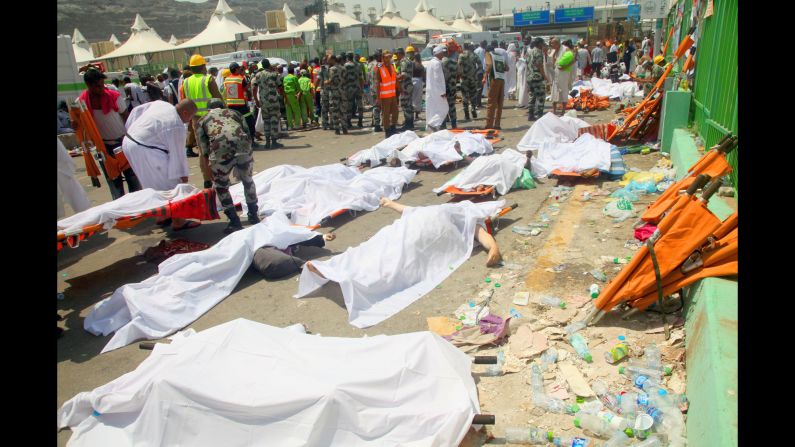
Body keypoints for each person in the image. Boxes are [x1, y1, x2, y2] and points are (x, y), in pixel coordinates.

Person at [304, 198, 502, 279]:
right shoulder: (443, 209)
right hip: (406, 228)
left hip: (421, 239)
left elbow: (484, 237)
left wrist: (493, 249)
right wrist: (389, 203)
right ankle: (332, 267)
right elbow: (408, 210)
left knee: (391, 259)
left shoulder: (468, 221)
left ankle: (343, 275)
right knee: (373, 247)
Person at [121, 99, 200, 231]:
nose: (190, 121)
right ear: (185, 112)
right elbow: (178, 156)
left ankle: (162, 216)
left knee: (151, 183)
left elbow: (136, 111)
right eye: (191, 117)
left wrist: (132, 129)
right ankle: (178, 221)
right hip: (144, 148)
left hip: (130, 141)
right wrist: (183, 178)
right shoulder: (176, 125)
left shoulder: (162, 104)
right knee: (170, 184)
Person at [195, 99, 260, 234]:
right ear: (223, 106)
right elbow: (247, 133)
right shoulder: (235, 113)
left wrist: (209, 172)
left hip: (220, 150)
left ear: (209, 109)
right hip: (243, 146)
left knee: (222, 186)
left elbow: (204, 149)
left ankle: (234, 221)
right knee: (248, 181)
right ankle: (254, 215)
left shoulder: (202, 120)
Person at [81, 69, 142, 199]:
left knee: (132, 177)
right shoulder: (82, 103)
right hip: (103, 148)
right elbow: (80, 123)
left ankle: (138, 205)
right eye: (98, 86)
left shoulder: (114, 97)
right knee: (114, 180)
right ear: (88, 85)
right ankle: (120, 211)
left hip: (122, 142)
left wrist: (132, 139)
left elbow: (126, 117)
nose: (102, 88)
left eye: (103, 84)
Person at [181, 54, 223, 188]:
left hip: (195, 119)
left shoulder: (186, 82)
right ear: (203, 67)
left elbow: (186, 100)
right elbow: (218, 99)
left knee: (202, 150)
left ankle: (206, 179)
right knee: (216, 148)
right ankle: (218, 176)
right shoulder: (208, 79)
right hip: (211, 118)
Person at [252, 232, 336, 279]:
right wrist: (303, 265)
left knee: (287, 237)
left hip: (270, 240)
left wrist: (322, 238)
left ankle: (305, 265)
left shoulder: (279, 237)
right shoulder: (263, 251)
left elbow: (296, 236)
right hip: (259, 247)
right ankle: (305, 266)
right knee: (275, 260)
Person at [252, 58, 284, 149]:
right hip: (273, 102)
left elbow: (254, 88)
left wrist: (256, 100)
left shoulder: (257, 75)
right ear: (269, 65)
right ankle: (274, 142)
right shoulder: (274, 74)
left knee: (266, 121)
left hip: (263, 102)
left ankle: (267, 143)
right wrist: (282, 95)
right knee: (274, 121)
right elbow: (280, 87)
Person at [57, 138, 91, 218]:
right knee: (73, 190)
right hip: (62, 164)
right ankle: (87, 216)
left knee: (72, 190)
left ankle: (87, 217)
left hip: (61, 165)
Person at [223, 62, 256, 143]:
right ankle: (251, 140)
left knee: (235, 124)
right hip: (240, 105)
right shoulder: (240, 78)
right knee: (250, 122)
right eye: (239, 68)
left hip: (230, 106)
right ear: (236, 69)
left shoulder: (226, 79)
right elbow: (247, 88)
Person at [374, 50, 399, 138]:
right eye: (386, 57)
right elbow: (377, 83)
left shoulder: (392, 66)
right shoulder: (379, 68)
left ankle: (393, 128)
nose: (388, 59)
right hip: (385, 96)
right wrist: (378, 98)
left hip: (393, 94)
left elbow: (395, 78)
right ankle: (387, 132)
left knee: (395, 112)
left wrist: (400, 89)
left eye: (389, 57)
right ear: (383, 58)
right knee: (386, 114)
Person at [483, 42, 506, 129]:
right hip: (502, 80)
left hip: (494, 79)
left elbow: (489, 64)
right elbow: (506, 67)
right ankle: (497, 124)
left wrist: (484, 76)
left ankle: (489, 125)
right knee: (499, 103)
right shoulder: (500, 55)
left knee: (491, 102)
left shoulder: (489, 54)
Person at [425, 45, 448, 132]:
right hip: (437, 91)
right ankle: (433, 124)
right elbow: (437, 78)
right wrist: (442, 92)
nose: (443, 55)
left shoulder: (430, 62)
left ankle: (432, 127)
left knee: (433, 109)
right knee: (444, 108)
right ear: (439, 53)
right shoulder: (437, 63)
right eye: (442, 53)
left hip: (430, 90)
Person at [526, 37, 548, 121]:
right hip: (537, 77)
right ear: (539, 44)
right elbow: (540, 66)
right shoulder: (539, 52)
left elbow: (527, 63)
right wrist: (545, 77)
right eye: (542, 44)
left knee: (532, 96)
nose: (543, 45)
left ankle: (530, 115)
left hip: (529, 76)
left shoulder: (530, 52)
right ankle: (540, 116)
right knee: (541, 96)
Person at [551, 39, 575, 116]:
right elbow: (552, 60)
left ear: (557, 43)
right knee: (554, 91)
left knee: (564, 90)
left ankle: (563, 111)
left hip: (564, 73)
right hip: (556, 73)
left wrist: (565, 67)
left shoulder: (565, 49)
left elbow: (573, 59)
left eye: (553, 43)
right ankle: (554, 111)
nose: (551, 45)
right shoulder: (554, 50)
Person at [458, 42, 480, 120]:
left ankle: (466, 114)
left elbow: (459, 66)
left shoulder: (461, 55)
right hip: (473, 78)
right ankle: (473, 109)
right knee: (473, 95)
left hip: (464, 79)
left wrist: (461, 75)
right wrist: (475, 72)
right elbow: (480, 66)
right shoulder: (474, 55)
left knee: (465, 96)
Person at [328, 54, 348, 135]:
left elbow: (331, 80)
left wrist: (326, 82)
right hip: (343, 91)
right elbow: (346, 79)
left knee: (335, 110)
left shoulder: (332, 69)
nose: (328, 61)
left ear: (333, 59)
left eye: (329, 59)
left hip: (335, 92)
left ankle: (337, 129)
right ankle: (344, 128)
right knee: (343, 110)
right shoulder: (343, 68)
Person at [441, 42, 460, 129]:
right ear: (448, 52)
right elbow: (459, 73)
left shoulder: (440, 63)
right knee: (452, 106)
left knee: (443, 106)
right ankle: (454, 125)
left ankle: (444, 126)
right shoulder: (454, 62)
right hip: (452, 87)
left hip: (444, 88)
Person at [396, 48, 414, 131]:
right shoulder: (409, 60)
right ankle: (410, 122)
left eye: (397, 54)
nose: (396, 56)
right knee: (409, 104)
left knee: (405, 105)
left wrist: (395, 78)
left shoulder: (403, 61)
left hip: (405, 86)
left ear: (400, 54)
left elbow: (403, 74)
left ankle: (408, 123)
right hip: (409, 84)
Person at [343, 53, 361, 129]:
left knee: (349, 105)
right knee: (360, 104)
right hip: (357, 86)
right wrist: (362, 87)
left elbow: (343, 78)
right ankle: (360, 122)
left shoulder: (345, 66)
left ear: (347, 57)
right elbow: (361, 77)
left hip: (349, 88)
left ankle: (349, 122)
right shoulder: (358, 65)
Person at [282, 66, 303, 130]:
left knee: (288, 111)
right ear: (293, 72)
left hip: (285, 95)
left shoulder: (285, 78)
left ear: (288, 72)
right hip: (292, 95)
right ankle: (297, 125)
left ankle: (290, 126)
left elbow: (283, 87)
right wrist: (298, 93)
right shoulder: (294, 77)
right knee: (296, 110)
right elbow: (298, 88)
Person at [368, 51, 383, 132]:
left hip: (372, 88)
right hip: (379, 88)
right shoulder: (379, 65)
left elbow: (368, 77)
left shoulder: (369, 64)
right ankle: (378, 125)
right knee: (379, 107)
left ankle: (375, 123)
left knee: (375, 106)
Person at [411, 52, 425, 121]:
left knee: (412, 98)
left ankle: (412, 116)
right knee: (418, 99)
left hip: (411, 81)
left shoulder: (411, 64)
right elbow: (424, 75)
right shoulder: (420, 65)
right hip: (419, 82)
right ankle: (416, 115)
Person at [515, 42, 528, 109]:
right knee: (521, 87)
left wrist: (520, 59)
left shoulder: (529, 50)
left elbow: (527, 61)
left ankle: (526, 103)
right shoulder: (524, 49)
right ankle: (522, 102)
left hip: (526, 71)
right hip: (521, 71)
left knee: (525, 87)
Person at [474, 40, 487, 108]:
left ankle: (477, 103)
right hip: (480, 71)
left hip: (474, 71)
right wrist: (484, 71)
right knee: (480, 88)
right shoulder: (482, 51)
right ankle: (478, 104)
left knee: (477, 87)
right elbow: (482, 62)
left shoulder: (476, 50)